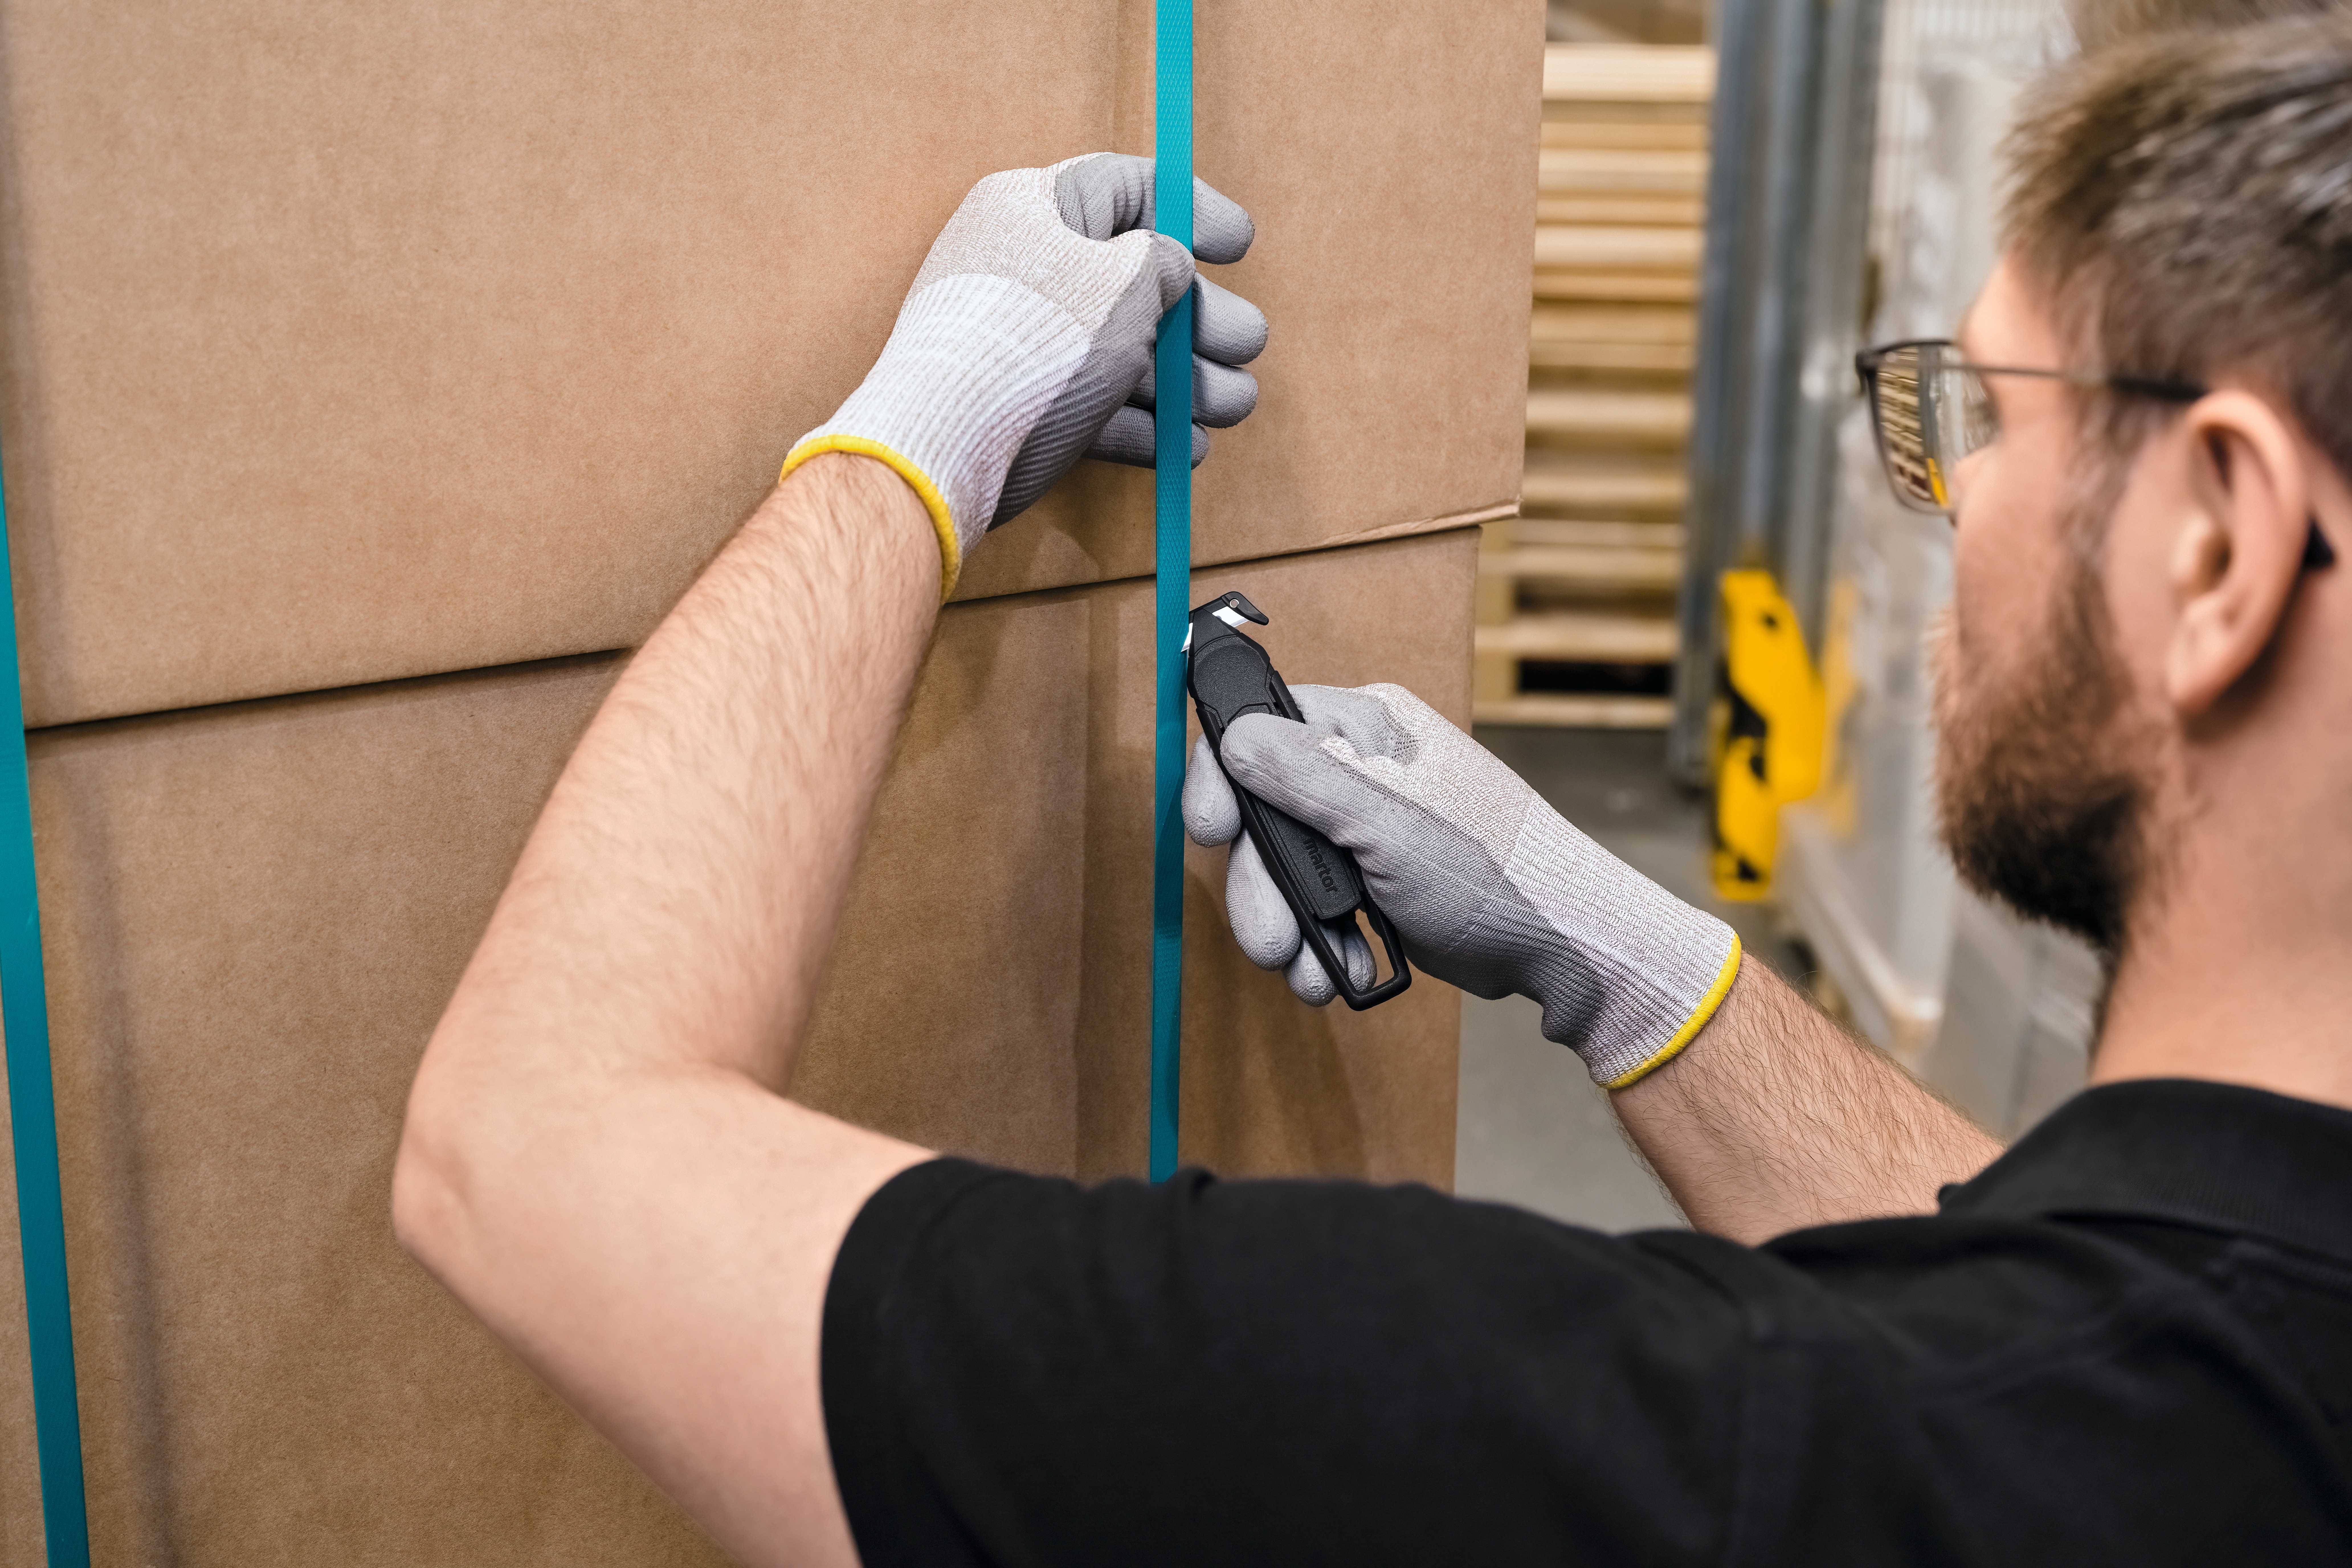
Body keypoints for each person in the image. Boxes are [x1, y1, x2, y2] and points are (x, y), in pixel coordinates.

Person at [391, 21, 2352, 1565]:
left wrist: (919, 433)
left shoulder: (1649, 1450)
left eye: (1990, 416)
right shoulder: (2189, 1396)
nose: (1953, 504)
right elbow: (2115, 1301)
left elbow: (531, 1144)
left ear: (2218, 547)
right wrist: (1615, 953)